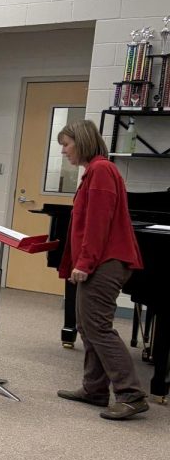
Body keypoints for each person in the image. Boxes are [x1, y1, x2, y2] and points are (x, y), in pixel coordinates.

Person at [55, 119, 147, 420]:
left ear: (81, 141)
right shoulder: (94, 171)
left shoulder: (101, 170)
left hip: (106, 262)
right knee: (87, 326)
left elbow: (98, 223)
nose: (64, 152)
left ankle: (131, 394)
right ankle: (94, 390)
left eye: (66, 145)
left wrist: (84, 262)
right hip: (101, 261)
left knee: (99, 327)